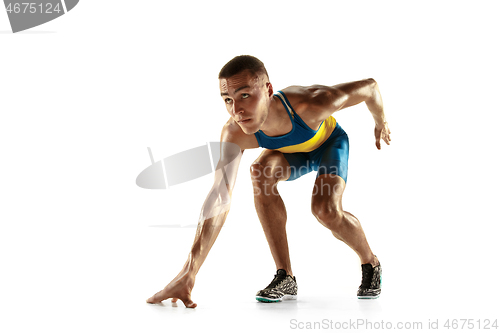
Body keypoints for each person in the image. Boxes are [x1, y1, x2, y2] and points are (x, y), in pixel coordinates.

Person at [146, 55, 391, 308]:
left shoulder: (312, 103)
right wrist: (190, 270)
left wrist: (380, 121)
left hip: (328, 144)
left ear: (268, 90)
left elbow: (370, 87)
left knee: (325, 210)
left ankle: (370, 261)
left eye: (244, 96)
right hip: (288, 154)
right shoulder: (235, 131)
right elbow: (220, 196)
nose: (236, 110)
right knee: (259, 172)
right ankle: (286, 276)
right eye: (228, 100)